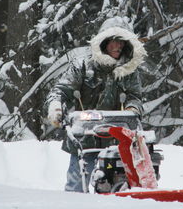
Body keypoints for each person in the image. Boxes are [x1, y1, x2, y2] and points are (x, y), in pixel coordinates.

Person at [45, 16, 147, 192]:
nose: (118, 46)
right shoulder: (82, 65)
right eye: (113, 42)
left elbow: (135, 97)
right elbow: (61, 90)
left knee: (119, 187)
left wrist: (132, 109)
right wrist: (55, 106)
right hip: (85, 137)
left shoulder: (129, 70)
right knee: (77, 186)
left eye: (122, 42)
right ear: (103, 42)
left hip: (118, 140)